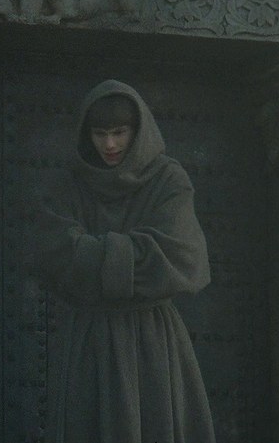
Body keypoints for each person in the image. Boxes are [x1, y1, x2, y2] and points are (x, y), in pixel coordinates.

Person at [32, 79, 216, 442]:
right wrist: (135, 255)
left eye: (119, 132)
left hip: (152, 341)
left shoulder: (168, 180)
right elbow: (53, 255)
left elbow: (178, 255)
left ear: (138, 130)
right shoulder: (68, 185)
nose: (110, 145)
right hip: (88, 340)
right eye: (100, 134)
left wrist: (90, 253)